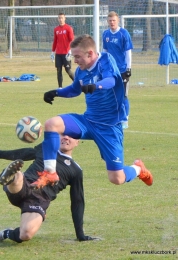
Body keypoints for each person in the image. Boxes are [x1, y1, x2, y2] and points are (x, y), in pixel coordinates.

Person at [30, 34, 153, 190]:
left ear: (90, 53)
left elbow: (111, 81)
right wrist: (56, 92)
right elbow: (74, 89)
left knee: (117, 178)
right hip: (87, 122)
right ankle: (50, 172)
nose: (74, 60)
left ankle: (138, 169)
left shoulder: (106, 60)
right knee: (51, 124)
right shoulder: (81, 71)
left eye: (77, 56)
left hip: (109, 127)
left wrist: (97, 86)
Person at [0, 135, 99, 243]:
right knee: (18, 176)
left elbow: (77, 201)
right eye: (63, 134)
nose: (66, 137)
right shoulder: (46, 148)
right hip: (25, 185)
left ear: (77, 142)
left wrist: (80, 235)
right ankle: (10, 176)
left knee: (26, 234)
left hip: (40, 200)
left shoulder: (76, 170)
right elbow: (25, 153)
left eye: (71, 136)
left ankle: (6, 233)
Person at [102, 11, 133, 129]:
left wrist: (128, 68)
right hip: (110, 70)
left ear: (118, 20)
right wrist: (103, 66)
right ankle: (113, 118)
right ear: (107, 21)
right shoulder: (105, 34)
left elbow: (128, 52)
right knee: (110, 94)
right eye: (110, 21)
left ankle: (125, 119)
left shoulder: (124, 33)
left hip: (122, 69)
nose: (112, 23)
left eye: (114, 20)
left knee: (123, 95)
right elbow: (105, 51)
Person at [51, 12, 75, 88]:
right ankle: (60, 87)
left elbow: (72, 40)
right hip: (58, 53)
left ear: (65, 18)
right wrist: (52, 51)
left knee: (68, 70)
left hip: (66, 53)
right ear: (58, 19)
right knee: (58, 70)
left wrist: (70, 51)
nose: (60, 19)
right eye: (59, 18)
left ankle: (78, 84)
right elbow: (55, 41)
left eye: (62, 18)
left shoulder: (68, 28)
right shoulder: (56, 29)